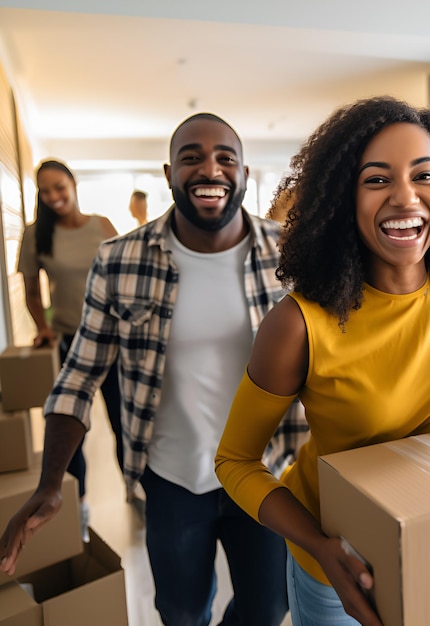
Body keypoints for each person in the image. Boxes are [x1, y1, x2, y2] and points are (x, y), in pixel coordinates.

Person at [215, 96, 430, 626]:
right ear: (342, 198)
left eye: (424, 176)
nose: (405, 197)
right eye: (377, 180)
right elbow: (234, 462)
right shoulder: (298, 324)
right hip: (340, 566)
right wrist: (320, 547)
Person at [0, 114, 308, 626]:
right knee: (181, 612)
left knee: (268, 607)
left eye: (225, 158)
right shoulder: (120, 259)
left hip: (265, 471)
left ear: (245, 174)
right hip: (172, 479)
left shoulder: (290, 255)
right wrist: (53, 482)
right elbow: (80, 375)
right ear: (169, 174)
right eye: (191, 157)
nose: (210, 168)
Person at [16, 159, 122, 542]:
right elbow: (31, 291)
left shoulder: (103, 226)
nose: (54, 196)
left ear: (73, 184)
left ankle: (136, 489)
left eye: (60, 187)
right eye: (46, 191)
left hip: (113, 342)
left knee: (123, 423)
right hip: (68, 344)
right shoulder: (35, 235)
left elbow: (124, 281)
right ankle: (75, 505)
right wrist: (43, 328)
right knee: (68, 431)